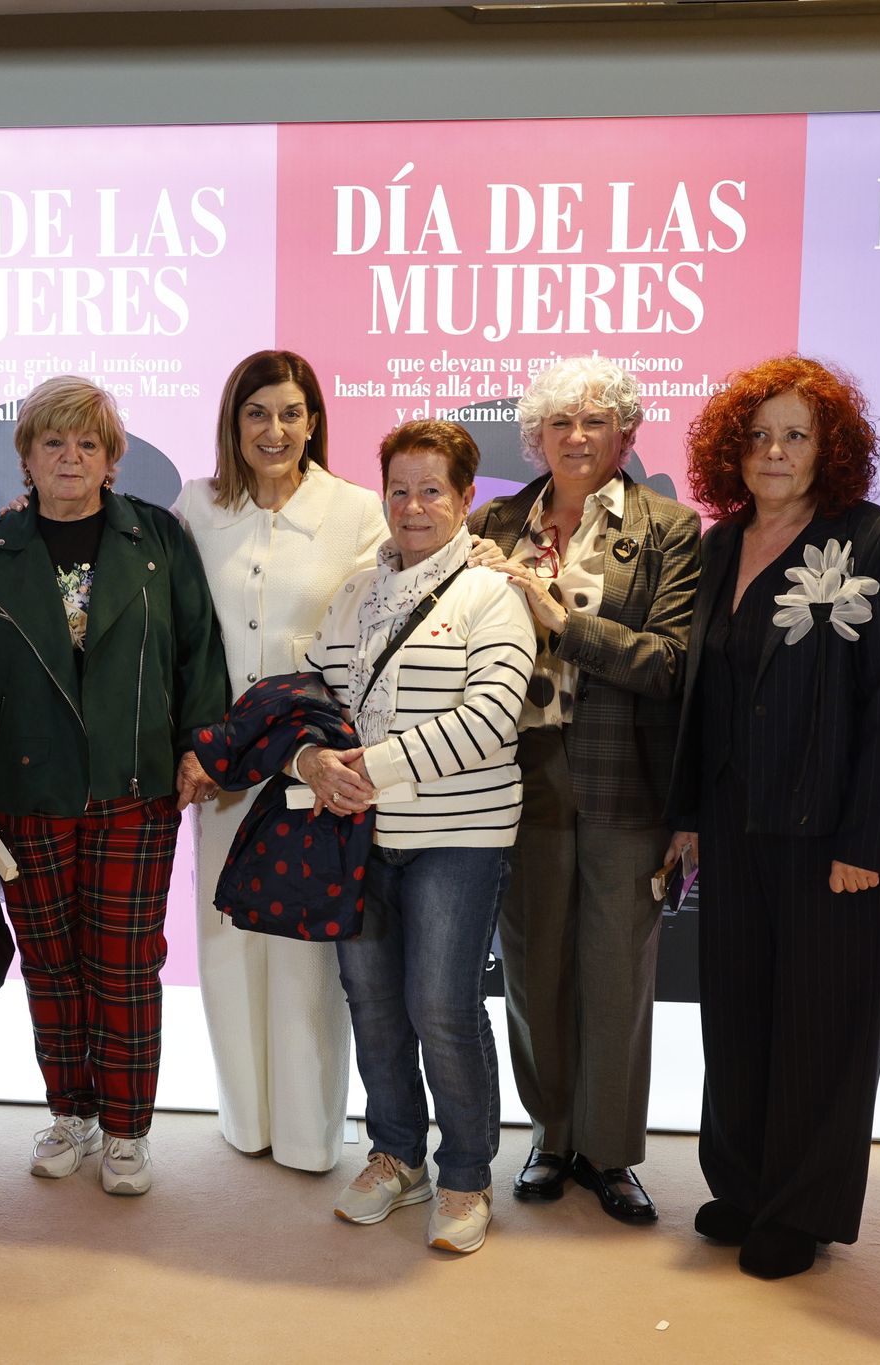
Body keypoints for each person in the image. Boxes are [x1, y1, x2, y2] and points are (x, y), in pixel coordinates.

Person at [0, 375, 227, 1196]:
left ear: (111, 457)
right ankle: (71, 1112)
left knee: (126, 965)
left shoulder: (158, 540)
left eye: (87, 443)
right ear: (26, 456)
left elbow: (199, 653)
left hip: (138, 790)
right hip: (25, 793)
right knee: (51, 964)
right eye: (53, 441)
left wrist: (202, 748)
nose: (70, 457)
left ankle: (127, 1129)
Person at [666, 356, 880, 1279]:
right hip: (733, 825)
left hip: (830, 835)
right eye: (759, 434)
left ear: (831, 448)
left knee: (822, 1020)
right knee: (736, 1008)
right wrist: (690, 811)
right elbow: (705, 692)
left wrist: (868, 840)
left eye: (796, 434)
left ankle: (800, 1207)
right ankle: (741, 1184)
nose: (774, 451)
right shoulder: (719, 544)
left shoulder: (874, 542)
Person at [466, 356, 702, 1223]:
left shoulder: (671, 528)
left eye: (595, 421)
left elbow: (671, 664)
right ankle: (551, 1135)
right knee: (530, 968)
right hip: (514, 777)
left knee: (615, 970)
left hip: (625, 777)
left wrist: (565, 624)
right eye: (560, 422)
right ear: (536, 435)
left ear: (627, 435)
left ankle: (611, 1152)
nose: (575, 436)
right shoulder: (492, 520)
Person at [298, 419, 534, 1255]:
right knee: (372, 1001)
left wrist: (372, 766)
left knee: (442, 1004)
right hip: (356, 836)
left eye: (433, 488)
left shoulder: (492, 594)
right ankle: (398, 1154)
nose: (412, 504)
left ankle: (467, 1171)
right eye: (398, 487)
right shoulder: (358, 595)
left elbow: (492, 718)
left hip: (460, 838)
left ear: (468, 498)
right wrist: (313, 759)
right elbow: (313, 693)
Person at [174, 350, 385, 1173]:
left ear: (314, 421)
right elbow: (180, 633)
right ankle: (245, 1118)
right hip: (226, 765)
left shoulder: (358, 510)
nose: (274, 429)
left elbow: (372, 632)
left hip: (310, 764)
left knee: (301, 947)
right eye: (257, 412)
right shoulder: (195, 505)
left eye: (291, 412)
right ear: (234, 422)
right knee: (228, 939)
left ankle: (306, 1132)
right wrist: (194, 745)